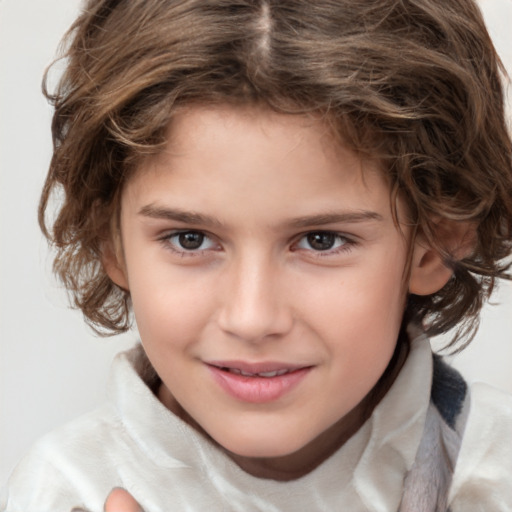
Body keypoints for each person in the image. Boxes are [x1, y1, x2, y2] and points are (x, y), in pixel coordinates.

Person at [2, 0, 512, 510]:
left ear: (434, 241)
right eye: (190, 239)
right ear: (110, 240)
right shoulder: (66, 492)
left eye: (320, 240)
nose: (252, 319)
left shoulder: (495, 474)